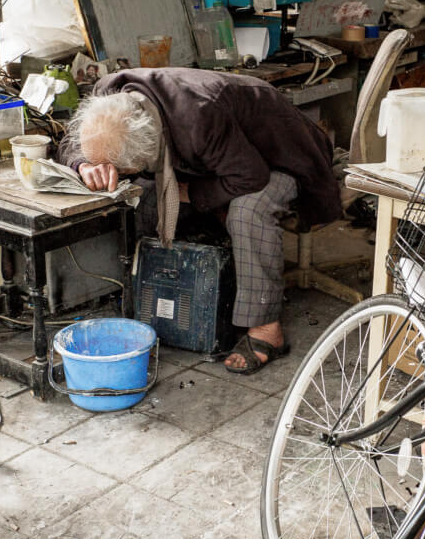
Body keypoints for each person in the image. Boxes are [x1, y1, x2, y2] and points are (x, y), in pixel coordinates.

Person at [59, 67, 343, 374]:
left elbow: (251, 175)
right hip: (227, 152)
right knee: (143, 200)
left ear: (143, 155)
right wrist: (84, 164)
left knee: (249, 211)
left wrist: (191, 193)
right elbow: (71, 142)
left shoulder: (198, 119)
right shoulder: (109, 92)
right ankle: (157, 297)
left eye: (122, 167)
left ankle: (266, 330)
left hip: (282, 156)